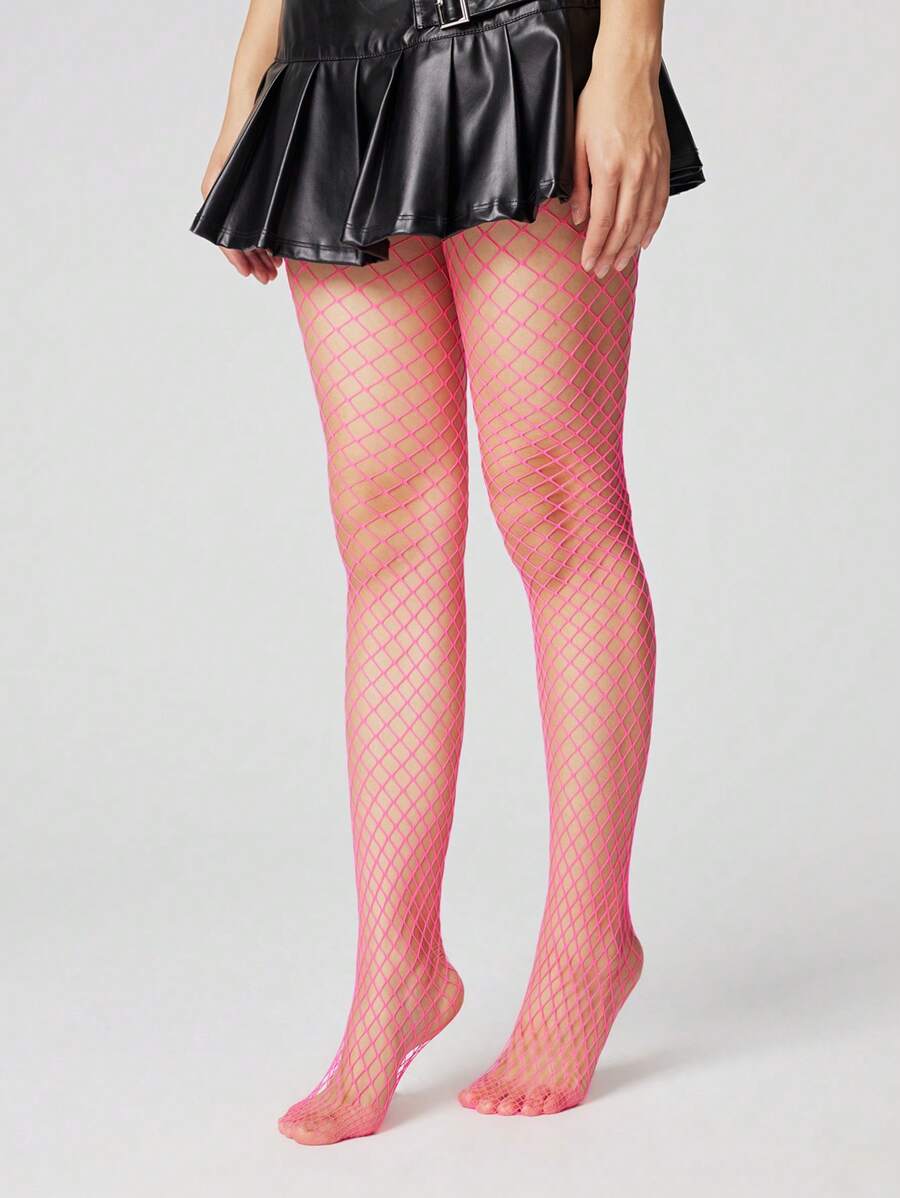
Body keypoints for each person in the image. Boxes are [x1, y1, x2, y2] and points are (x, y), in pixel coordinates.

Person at [191, 0, 704, 1147]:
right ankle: (398, 968)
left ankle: (588, 942)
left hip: (520, 38)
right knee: (383, 525)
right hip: (334, 58)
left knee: (557, 498)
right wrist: (252, 69)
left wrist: (628, 54)